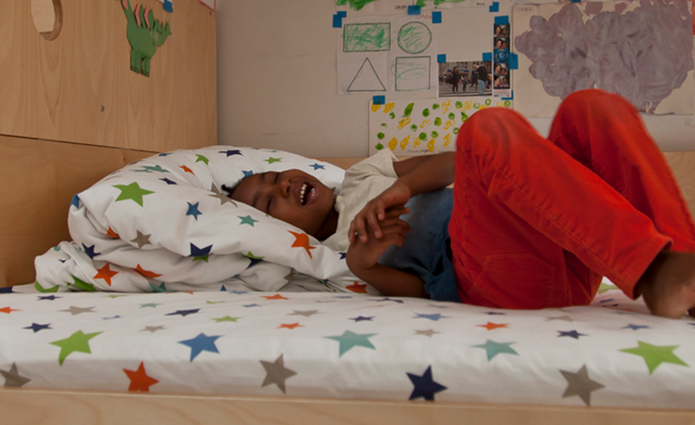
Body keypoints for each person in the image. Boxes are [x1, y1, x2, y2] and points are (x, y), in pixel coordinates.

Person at [228, 89, 695, 317]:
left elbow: (458, 166)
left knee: (589, 108)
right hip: (497, 281)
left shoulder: (361, 174)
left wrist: (403, 188)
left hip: (559, 248)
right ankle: (652, 271)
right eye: (269, 204)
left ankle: (682, 266)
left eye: (274, 177)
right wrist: (366, 264)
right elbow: (420, 295)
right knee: (485, 129)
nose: (283, 187)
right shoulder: (323, 256)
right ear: (277, 231)